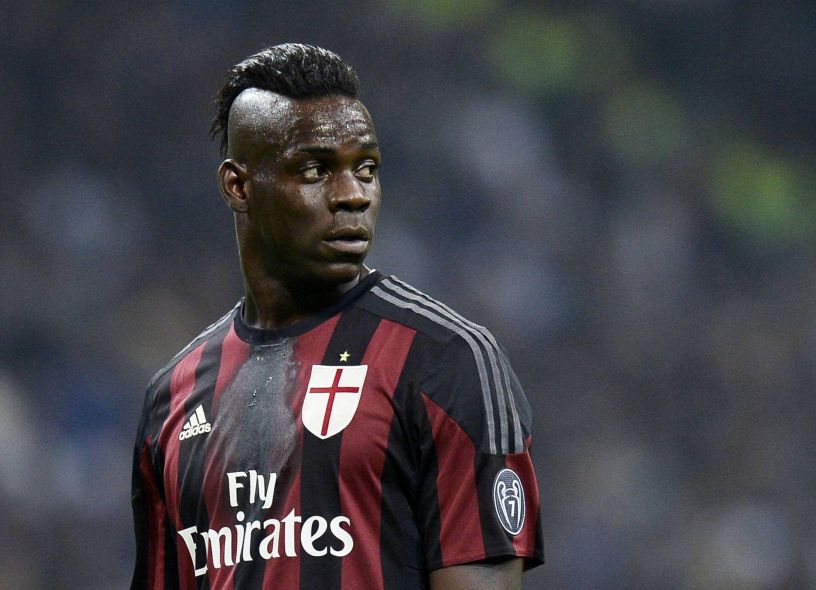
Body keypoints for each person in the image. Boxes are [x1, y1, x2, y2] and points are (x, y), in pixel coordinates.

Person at [130, 43, 542, 590]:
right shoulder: (174, 396)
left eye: (365, 169)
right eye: (315, 170)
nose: (352, 195)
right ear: (239, 186)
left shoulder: (445, 360)